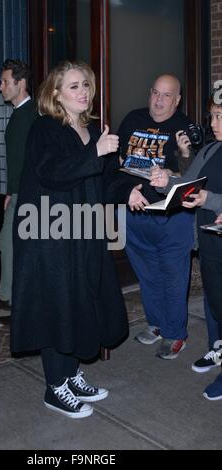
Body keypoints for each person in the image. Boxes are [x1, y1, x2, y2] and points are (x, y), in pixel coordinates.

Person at [11, 61, 132, 419]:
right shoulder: (44, 128)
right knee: (57, 305)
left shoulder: (92, 131)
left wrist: (133, 190)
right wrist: (95, 153)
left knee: (81, 301)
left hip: (84, 232)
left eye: (86, 86)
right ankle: (55, 386)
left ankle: (70, 374)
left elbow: (107, 180)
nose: (83, 92)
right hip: (49, 235)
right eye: (75, 86)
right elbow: (52, 173)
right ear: (55, 94)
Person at [117, 74, 195, 360]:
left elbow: (193, 173)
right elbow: (118, 162)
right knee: (148, 275)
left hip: (171, 217)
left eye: (167, 95)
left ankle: (175, 333)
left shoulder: (185, 127)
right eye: (155, 93)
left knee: (173, 276)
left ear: (177, 100)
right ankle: (158, 324)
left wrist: (173, 174)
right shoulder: (132, 119)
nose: (159, 100)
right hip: (135, 213)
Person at [151, 95, 222, 399]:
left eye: (220, 116)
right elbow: (189, 184)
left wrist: (211, 200)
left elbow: (207, 196)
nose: (213, 123)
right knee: (216, 303)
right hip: (209, 242)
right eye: (212, 116)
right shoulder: (211, 149)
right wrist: (164, 181)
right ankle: (217, 348)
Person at [0, 59, 37, 325]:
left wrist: (20, 193)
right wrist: (9, 192)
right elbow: (16, 160)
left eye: (5, 81)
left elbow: (34, 160)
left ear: (20, 83)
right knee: (8, 243)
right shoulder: (18, 115)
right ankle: (14, 300)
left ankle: (21, 306)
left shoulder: (32, 115)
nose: (0, 86)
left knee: (15, 246)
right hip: (17, 194)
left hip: (29, 196)